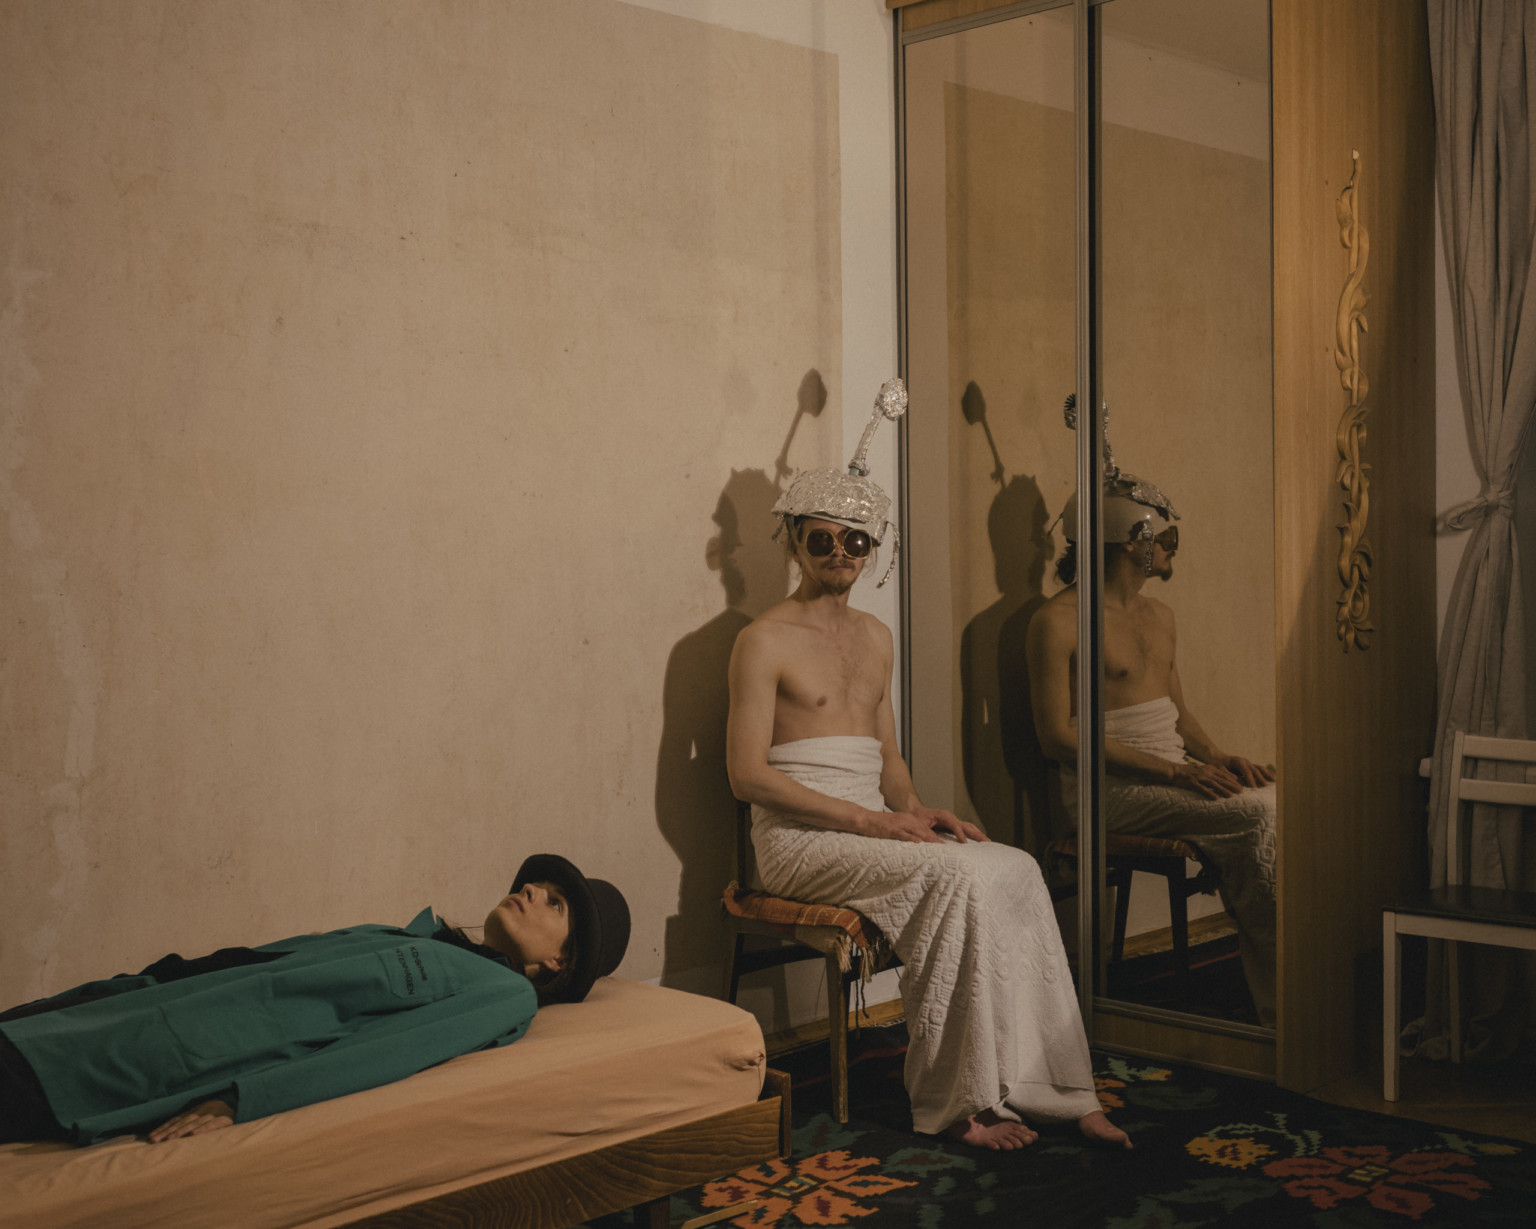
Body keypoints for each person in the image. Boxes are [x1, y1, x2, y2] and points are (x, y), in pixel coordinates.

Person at [726, 378, 1129, 1153]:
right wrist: (868, 820)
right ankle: (959, 1099)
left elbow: (889, 758)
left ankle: (1058, 1085)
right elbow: (747, 776)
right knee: (952, 880)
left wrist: (914, 809)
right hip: (798, 839)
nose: (840, 554)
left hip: (871, 823)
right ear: (794, 541)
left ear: (872, 548)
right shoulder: (762, 640)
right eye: (822, 539)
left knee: (1011, 866)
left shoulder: (876, 637)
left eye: (856, 542)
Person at [0, 854, 630, 1145]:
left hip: (165, 1048)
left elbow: (381, 1052)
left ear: (559, 962)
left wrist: (240, 1099)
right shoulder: (413, 936)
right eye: (537, 883)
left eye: (554, 903)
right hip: (140, 999)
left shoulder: (505, 994)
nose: (531, 890)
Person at [1025, 435, 1276, 1025]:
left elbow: (1177, 714)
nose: (1171, 550)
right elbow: (1056, 738)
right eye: (1167, 539)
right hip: (1109, 790)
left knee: (1278, 798)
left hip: (1171, 774)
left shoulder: (1160, 616)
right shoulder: (1056, 622)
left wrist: (1217, 756)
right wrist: (1176, 774)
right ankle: (1277, 1005)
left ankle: (1288, 974)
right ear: (1132, 542)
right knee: (1261, 816)